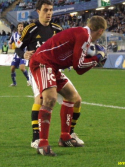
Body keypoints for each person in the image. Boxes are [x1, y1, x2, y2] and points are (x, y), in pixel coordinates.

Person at [29, 16, 107, 156]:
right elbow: (79, 66)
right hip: (43, 62)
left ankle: (65, 137)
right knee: (50, 99)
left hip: (53, 65)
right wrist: (97, 58)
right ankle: (42, 143)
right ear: (100, 31)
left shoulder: (82, 34)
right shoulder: (84, 35)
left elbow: (78, 65)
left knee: (73, 98)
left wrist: (94, 59)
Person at [15, 0, 84, 150]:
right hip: (37, 69)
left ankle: (69, 134)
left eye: (51, 10)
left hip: (55, 69)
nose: (49, 13)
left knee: (77, 100)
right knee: (40, 99)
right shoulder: (31, 29)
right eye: (46, 10)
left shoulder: (57, 29)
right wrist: (23, 54)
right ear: (38, 11)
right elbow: (17, 47)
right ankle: (36, 138)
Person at [9, 22, 30, 87]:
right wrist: (10, 46)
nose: (20, 27)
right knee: (12, 68)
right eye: (19, 26)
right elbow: (10, 42)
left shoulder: (26, 35)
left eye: (21, 26)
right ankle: (14, 83)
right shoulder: (14, 35)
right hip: (17, 53)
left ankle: (29, 80)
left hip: (24, 54)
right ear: (17, 28)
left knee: (22, 68)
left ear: (23, 28)